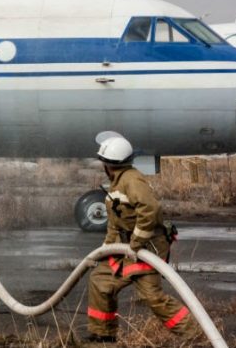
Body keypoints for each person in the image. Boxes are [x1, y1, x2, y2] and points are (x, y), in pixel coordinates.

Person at [86, 132, 198, 344]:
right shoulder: (117, 182)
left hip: (147, 249)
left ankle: (193, 334)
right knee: (100, 280)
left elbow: (150, 209)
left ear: (108, 164)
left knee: (153, 297)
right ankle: (102, 333)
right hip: (123, 250)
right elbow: (115, 222)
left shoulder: (131, 180)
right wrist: (105, 249)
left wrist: (136, 244)